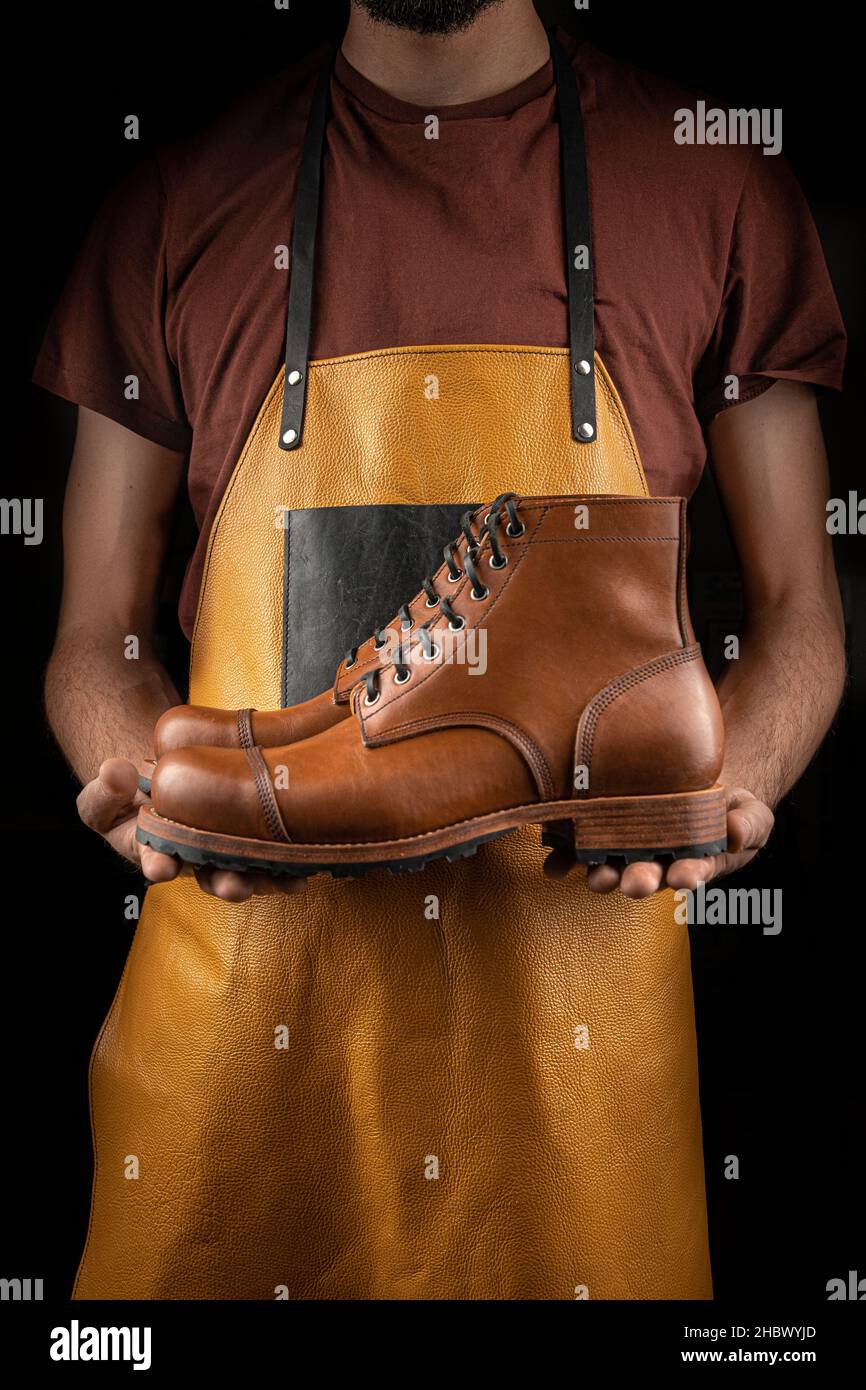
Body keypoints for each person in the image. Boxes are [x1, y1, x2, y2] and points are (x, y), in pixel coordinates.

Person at [35, 0, 846, 1299]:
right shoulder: (174, 196)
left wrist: (722, 777)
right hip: (239, 1039)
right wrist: (152, 788)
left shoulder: (714, 180)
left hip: (574, 1056)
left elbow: (802, 607)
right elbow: (93, 639)